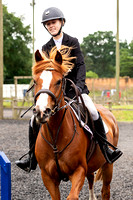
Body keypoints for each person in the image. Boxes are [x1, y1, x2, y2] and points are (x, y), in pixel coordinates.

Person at [15, 7, 122, 172]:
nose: (51, 26)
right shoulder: (45, 47)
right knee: (32, 121)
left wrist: (79, 86)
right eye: (48, 24)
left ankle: (106, 150)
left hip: (75, 91)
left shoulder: (72, 41)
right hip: (53, 94)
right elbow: (44, 73)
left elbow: (80, 65)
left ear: (61, 22)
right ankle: (31, 158)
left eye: (54, 22)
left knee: (93, 112)